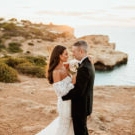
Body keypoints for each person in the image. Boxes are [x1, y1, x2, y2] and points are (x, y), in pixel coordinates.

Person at [35, 45, 75, 135]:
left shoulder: (65, 67)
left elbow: (73, 73)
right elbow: (59, 92)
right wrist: (72, 83)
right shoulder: (56, 71)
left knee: (70, 125)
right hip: (64, 104)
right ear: (59, 56)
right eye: (66, 54)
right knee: (63, 126)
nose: (68, 56)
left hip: (71, 102)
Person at [62, 40, 95, 135]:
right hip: (85, 104)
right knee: (83, 129)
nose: (72, 54)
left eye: (74, 51)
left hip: (80, 106)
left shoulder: (84, 68)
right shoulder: (88, 62)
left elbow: (79, 91)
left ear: (81, 51)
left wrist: (63, 96)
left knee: (80, 131)